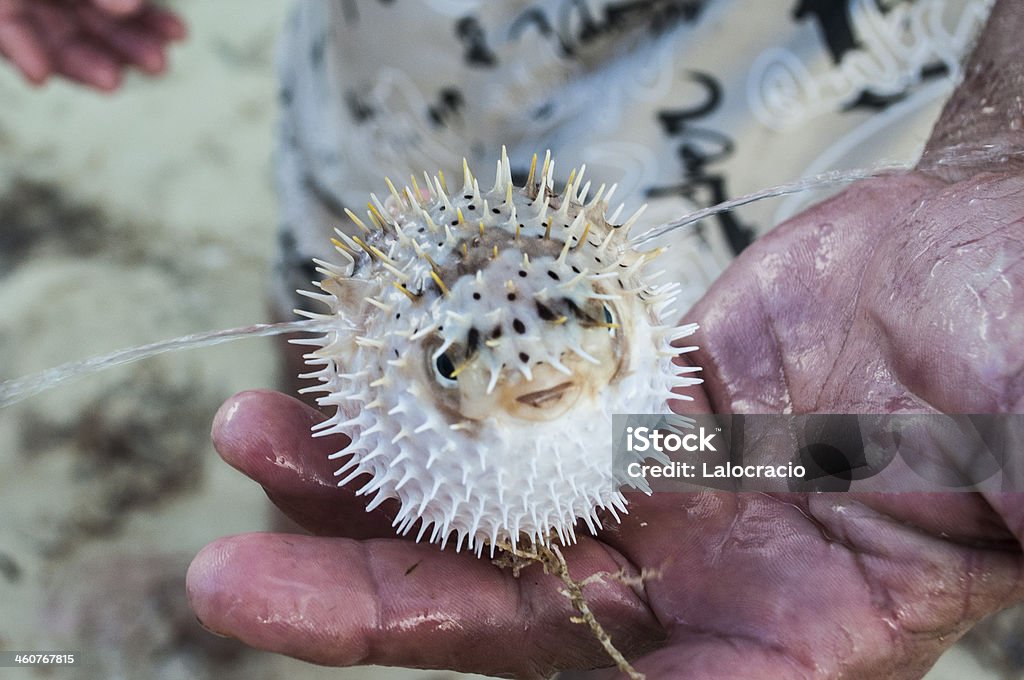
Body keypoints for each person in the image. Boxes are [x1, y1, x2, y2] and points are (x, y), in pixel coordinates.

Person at [3, 1, 1021, 678]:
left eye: (567, 332)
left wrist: (999, 152)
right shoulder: (376, 364)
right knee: (324, 299)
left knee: (778, 348)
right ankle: (321, 527)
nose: (534, 371)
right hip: (419, 40)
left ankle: (874, 482)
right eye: (465, 364)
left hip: (822, 60)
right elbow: (354, 346)